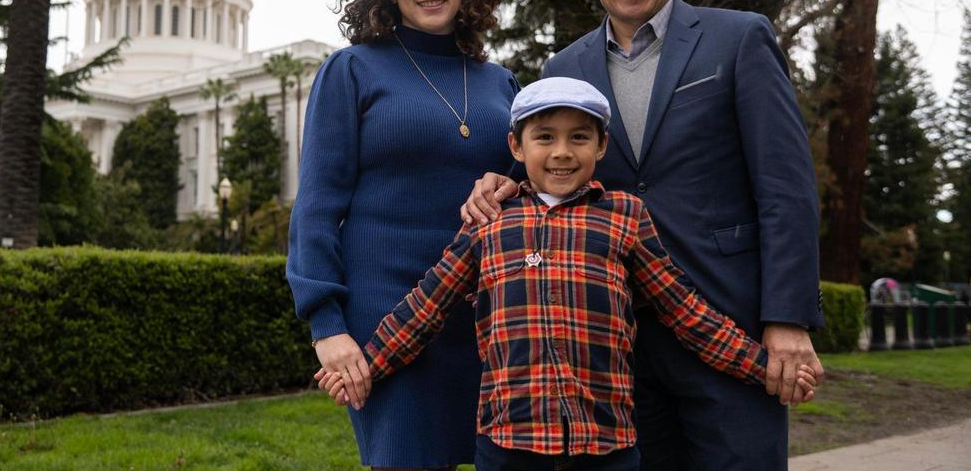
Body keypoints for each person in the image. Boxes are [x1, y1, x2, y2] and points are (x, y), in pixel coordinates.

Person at [462, 0, 825, 471]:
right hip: (617, 348)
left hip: (730, 320)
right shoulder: (564, 68)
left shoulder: (738, 39)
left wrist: (787, 318)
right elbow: (551, 169)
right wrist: (498, 182)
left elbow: (786, 188)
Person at [321, 77, 817, 471]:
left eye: (579, 137)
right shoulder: (491, 221)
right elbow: (426, 306)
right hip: (509, 438)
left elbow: (683, 309)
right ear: (516, 146)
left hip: (606, 442)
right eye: (545, 137)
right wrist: (366, 366)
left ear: (601, 146)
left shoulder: (624, 214)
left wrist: (763, 366)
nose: (562, 152)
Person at [286, 0, 520, 470]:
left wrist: (511, 184)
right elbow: (317, 207)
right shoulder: (352, 70)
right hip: (389, 321)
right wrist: (328, 328)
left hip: (491, 321)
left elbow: (535, 183)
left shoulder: (502, 82)